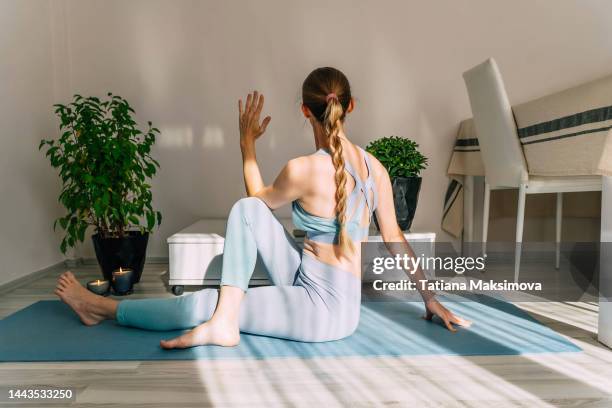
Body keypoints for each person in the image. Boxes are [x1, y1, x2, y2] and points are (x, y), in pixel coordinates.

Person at [55, 67, 470, 349]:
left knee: (205, 304)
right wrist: (430, 299)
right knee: (246, 211)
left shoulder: (301, 169)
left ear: (305, 110)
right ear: (351, 105)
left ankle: (102, 307)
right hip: (314, 283)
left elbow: (260, 194)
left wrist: (246, 144)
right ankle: (225, 318)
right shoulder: (374, 167)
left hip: (323, 313)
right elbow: (394, 239)